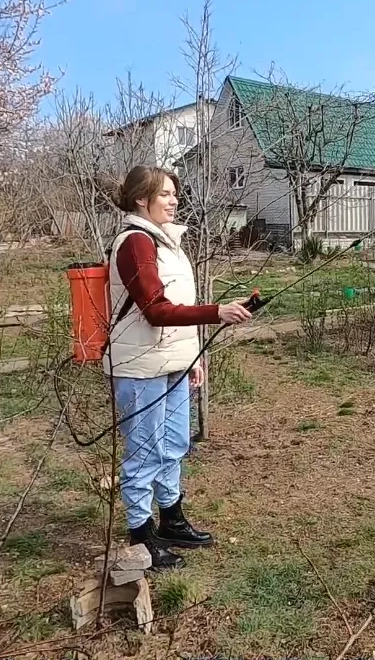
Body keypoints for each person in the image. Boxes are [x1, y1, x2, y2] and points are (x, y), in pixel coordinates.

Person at [104, 165, 253, 570]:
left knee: (173, 445)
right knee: (144, 453)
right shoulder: (136, 242)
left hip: (171, 362)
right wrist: (217, 312)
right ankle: (141, 537)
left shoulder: (165, 240)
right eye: (165, 194)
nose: (173, 201)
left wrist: (193, 356)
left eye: (174, 194)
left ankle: (171, 519)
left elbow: (177, 308)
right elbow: (156, 310)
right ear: (141, 199)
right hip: (140, 366)